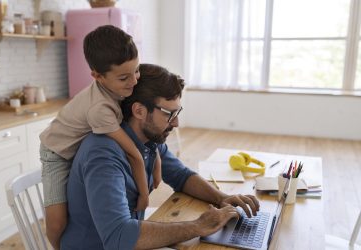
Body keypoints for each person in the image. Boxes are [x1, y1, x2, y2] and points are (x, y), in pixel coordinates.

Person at [60, 64, 260, 249]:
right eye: (169, 114)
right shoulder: (103, 156)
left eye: (177, 112)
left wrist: (222, 198)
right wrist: (198, 226)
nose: (176, 123)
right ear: (139, 111)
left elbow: (181, 176)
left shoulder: (149, 141)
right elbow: (118, 236)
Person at [39, 25, 161, 249]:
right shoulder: (100, 109)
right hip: (56, 152)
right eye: (125, 77)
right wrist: (144, 194)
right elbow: (133, 152)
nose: (134, 81)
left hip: (79, 145)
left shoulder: (121, 89)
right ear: (97, 76)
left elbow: (141, 139)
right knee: (57, 221)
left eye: (136, 70)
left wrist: (157, 160)